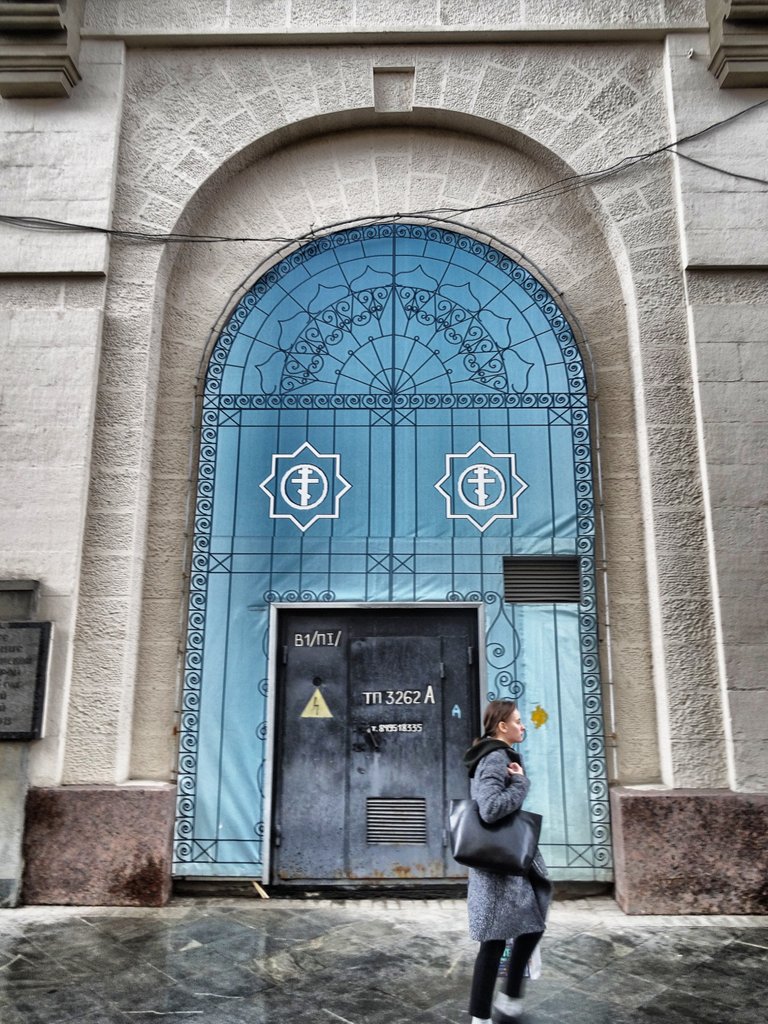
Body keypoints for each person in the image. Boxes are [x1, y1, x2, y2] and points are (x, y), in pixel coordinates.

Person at [462, 699, 552, 1024]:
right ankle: (484, 1015)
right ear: (502, 726)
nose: (523, 725)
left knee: (529, 925)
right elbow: (489, 808)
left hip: (505, 861)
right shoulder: (495, 756)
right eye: (517, 720)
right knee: (496, 940)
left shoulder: (496, 755)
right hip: (500, 863)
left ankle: (509, 998)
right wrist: (520, 784)